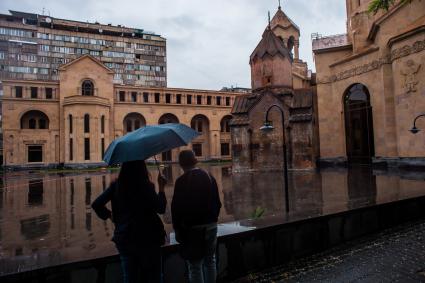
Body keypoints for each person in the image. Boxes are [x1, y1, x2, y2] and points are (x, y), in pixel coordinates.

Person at [92, 160, 167, 283]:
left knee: (130, 277)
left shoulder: (116, 186)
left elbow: (96, 204)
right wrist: (162, 189)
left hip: (125, 237)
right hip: (148, 238)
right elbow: (161, 208)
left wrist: (111, 216)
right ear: (142, 168)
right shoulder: (146, 186)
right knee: (154, 277)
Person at [171, 150, 222, 283]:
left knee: (194, 266)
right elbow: (218, 203)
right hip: (211, 226)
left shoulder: (181, 181)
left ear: (181, 164)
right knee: (210, 261)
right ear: (195, 161)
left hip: (193, 230)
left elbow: (176, 209)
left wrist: (177, 229)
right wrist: (212, 219)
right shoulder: (210, 176)